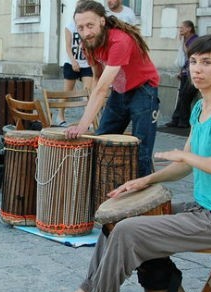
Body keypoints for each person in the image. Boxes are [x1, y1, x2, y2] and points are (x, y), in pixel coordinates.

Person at [40, 33, 211, 292]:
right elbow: (185, 167)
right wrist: (145, 181)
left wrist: (184, 155)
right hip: (203, 209)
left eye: (206, 62)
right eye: (193, 62)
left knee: (129, 231)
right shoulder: (201, 107)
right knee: (117, 220)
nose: (197, 69)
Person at [65, 1, 159, 177]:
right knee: (102, 139)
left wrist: (83, 125)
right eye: (81, 27)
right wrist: (90, 113)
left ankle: (142, 197)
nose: (86, 32)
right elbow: (97, 79)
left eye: (90, 25)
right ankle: (104, 187)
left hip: (143, 90)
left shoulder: (119, 41)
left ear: (102, 21)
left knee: (141, 149)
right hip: (120, 90)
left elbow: (101, 89)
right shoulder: (88, 44)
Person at [58, 6, 93, 127]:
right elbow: (68, 46)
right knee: (67, 93)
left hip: (86, 63)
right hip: (71, 62)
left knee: (87, 92)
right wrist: (73, 62)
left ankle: (87, 119)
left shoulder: (88, 26)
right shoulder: (69, 26)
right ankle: (60, 116)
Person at [166, 20, 199, 129]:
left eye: (182, 27)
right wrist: (181, 72)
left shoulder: (194, 40)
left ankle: (184, 121)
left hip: (193, 74)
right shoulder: (184, 40)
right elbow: (184, 59)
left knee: (185, 96)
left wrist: (185, 46)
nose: (180, 30)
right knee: (181, 96)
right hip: (186, 72)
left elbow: (191, 56)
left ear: (189, 28)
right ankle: (176, 120)